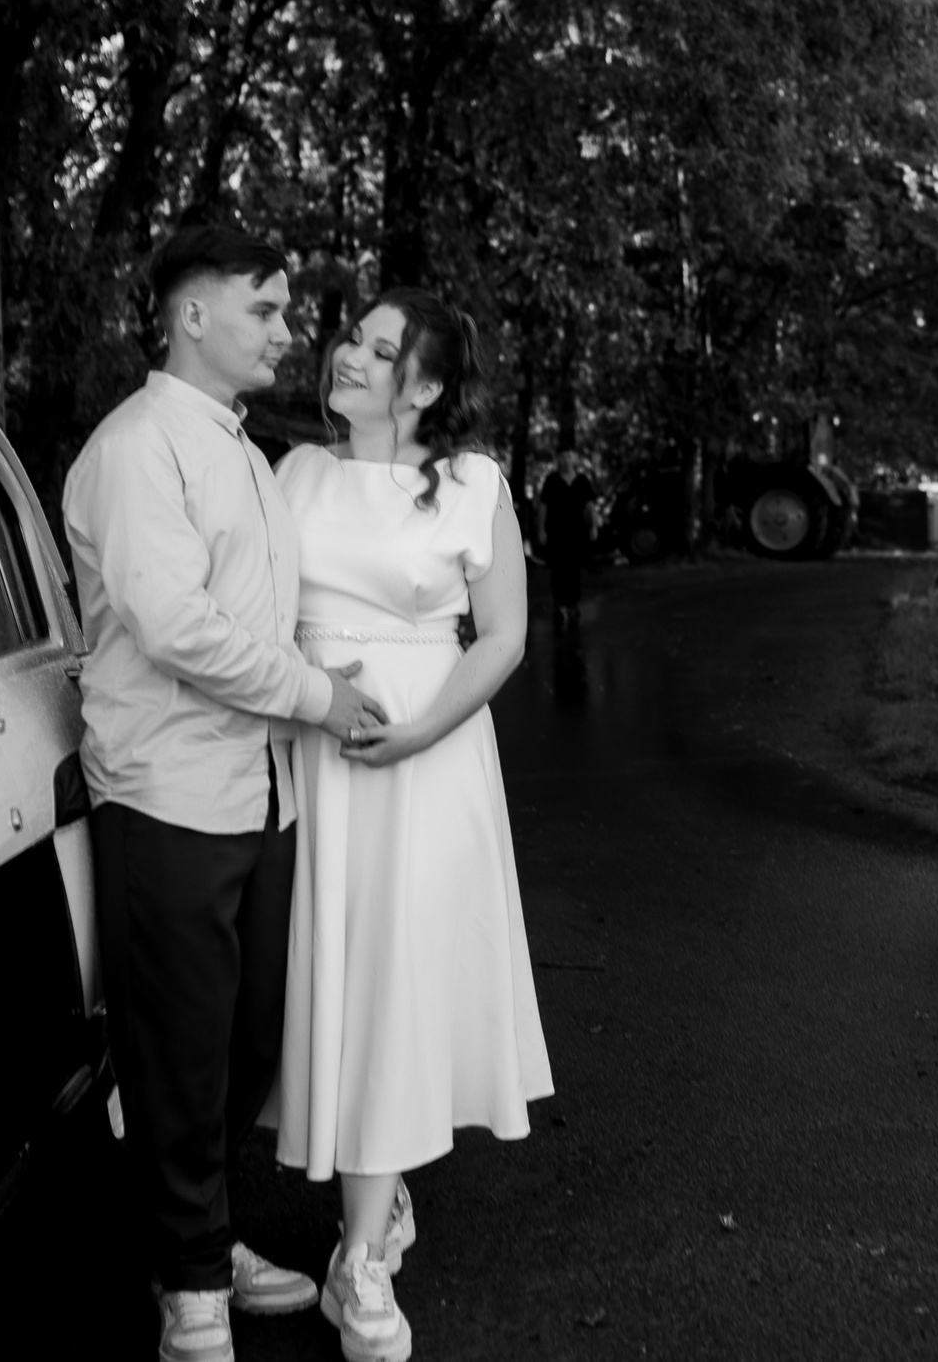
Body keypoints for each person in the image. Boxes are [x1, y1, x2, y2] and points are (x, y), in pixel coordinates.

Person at [64, 226, 392, 1362]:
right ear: (192, 316)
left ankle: (197, 1236)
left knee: (250, 1037)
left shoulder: (246, 453)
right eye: (267, 309)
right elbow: (175, 628)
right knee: (177, 1048)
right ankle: (193, 1284)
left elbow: (260, 617)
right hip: (167, 793)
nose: (288, 332)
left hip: (263, 795)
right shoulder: (135, 448)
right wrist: (318, 696)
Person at [272, 288, 552, 1362]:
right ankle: (374, 1204)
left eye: (379, 348)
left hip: (425, 756)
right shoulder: (293, 473)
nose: (347, 354)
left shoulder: (476, 485)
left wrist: (422, 731)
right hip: (310, 744)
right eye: (351, 336)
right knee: (328, 979)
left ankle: (358, 1263)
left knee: (392, 981)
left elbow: (503, 636)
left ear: (425, 385)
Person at [536, 448, 598, 629]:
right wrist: (541, 530)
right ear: (558, 459)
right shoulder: (552, 480)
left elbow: (590, 506)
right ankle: (559, 604)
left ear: (575, 459)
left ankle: (573, 604)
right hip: (556, 532)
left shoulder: (582, 481)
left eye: (570, 456)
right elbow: (543, 506)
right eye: (563, 457)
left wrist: (594, 526)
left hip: (577, 532)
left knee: (574, 569)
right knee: (558, 569)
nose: (566, 460)